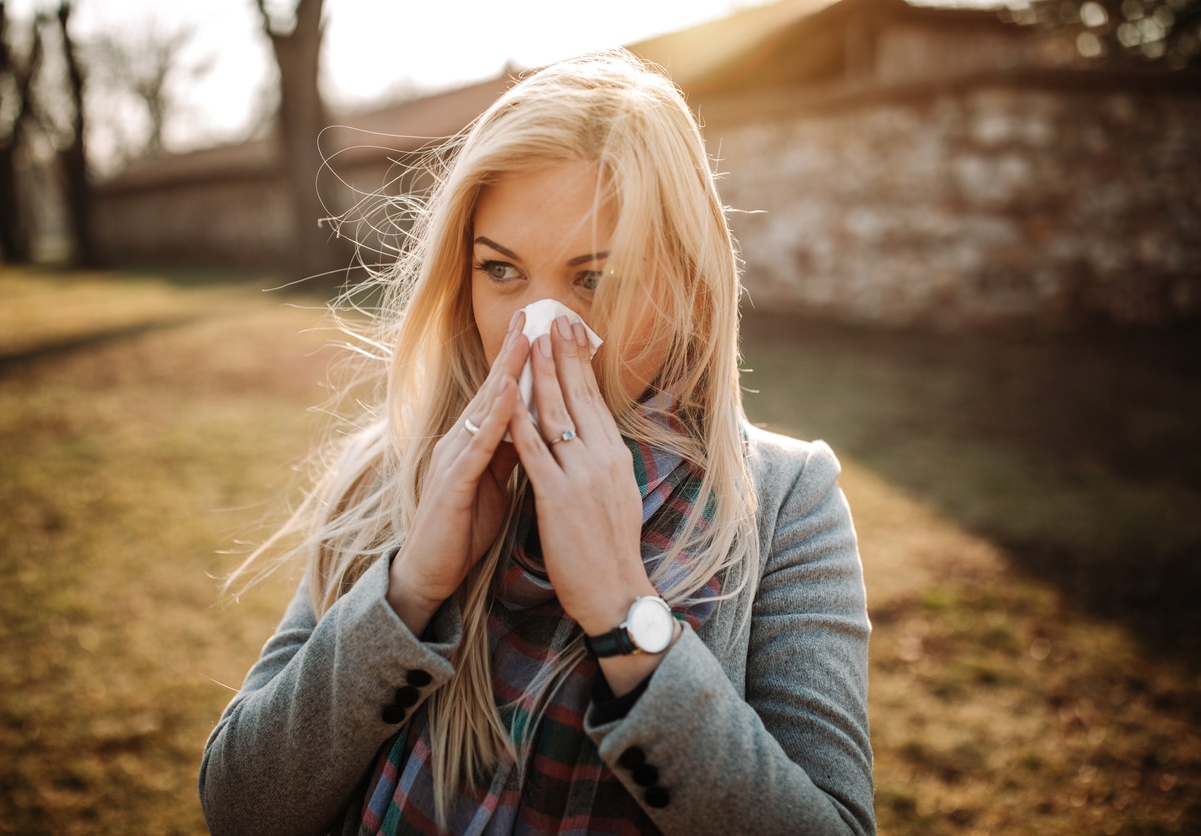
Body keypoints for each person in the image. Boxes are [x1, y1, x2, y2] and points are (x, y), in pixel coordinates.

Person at [199, 49, 875, 836]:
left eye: (596, 277)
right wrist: (411, 587)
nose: (537, 330)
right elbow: (239, 806)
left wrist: (623, 610)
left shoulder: (788, 507)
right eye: (502, 270)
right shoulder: (393, 472)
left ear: (689, 284)